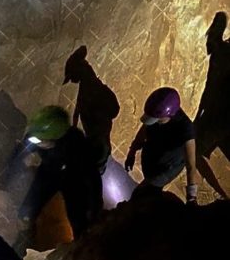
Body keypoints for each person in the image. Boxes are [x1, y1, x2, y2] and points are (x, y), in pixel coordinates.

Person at [17, 106, 104, 244]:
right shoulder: (37, 134)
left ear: (55, 139)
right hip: (50, 171)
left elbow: (92, 178)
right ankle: (24, 237)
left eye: (41, 141)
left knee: (79, 219)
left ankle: (81, 243)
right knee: (27, 209)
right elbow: (21, 152)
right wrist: (19, 163)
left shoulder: (77, 148)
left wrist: (94, 206)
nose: (36, 142)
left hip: (73, 179)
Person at [125, 87, 200, 203]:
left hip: (166, 169)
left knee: (142, 194)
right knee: (145, 192)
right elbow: (144, 130)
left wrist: (191, 197)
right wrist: (132, 152)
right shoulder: (158, 114)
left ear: (168, 115)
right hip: (154, 158)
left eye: (156, 119)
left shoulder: (185, 130)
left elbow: (191, 166)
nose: (154, 121)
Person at [62, 45, 120, 173]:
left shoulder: (91, 89)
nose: (72, 80)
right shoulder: (88, 83)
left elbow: (84, 105)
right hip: (96, 135)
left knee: (99, 153)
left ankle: (97, 169)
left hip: (97, 136)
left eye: (72, 76)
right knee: (100, 151)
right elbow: (79, 104)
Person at [193, 11, 230, 199]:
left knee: (193, 150)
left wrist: (198, 116)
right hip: (222, 116)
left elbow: (210, 88)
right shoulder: (224, 51)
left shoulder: (220, 55)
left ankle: (222, 194)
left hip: (219, 116)